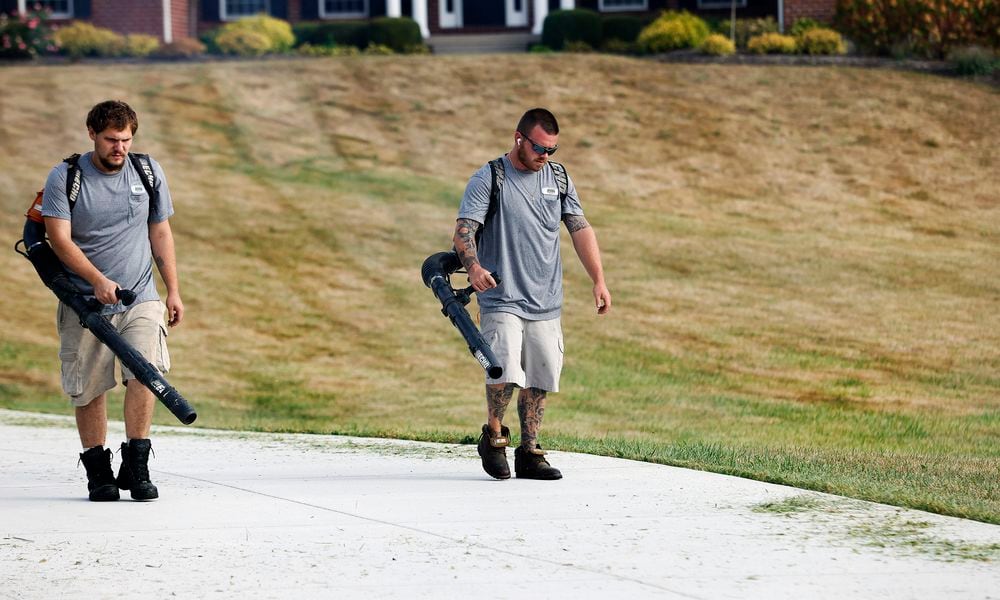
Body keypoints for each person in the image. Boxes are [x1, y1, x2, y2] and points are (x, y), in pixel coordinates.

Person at [453, 108, 611, 480]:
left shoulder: (557, 177)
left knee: (542, 374)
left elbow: (579, 227)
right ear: (518, 139)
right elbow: (464, 231)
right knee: (504, 370)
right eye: (539, 147)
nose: (545, 156)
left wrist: (599, 280)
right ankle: (493, 437)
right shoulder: (490, 177)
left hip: (546, 298)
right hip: (502, 296)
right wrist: (473, 267)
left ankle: (530, 451)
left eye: (552, 149)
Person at [41, 100, 184, 501]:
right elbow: (59, 240)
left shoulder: (148, 171)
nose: (119, 147)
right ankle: (98, 472)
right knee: (89, 387)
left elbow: (161, 232)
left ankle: (137, 467)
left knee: (147, 372)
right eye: (110, 140)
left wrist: (172, 290)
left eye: (126, 139)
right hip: (85, 305)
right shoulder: (65, 176)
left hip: (141, 298)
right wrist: (97, 280)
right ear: (92, 134)